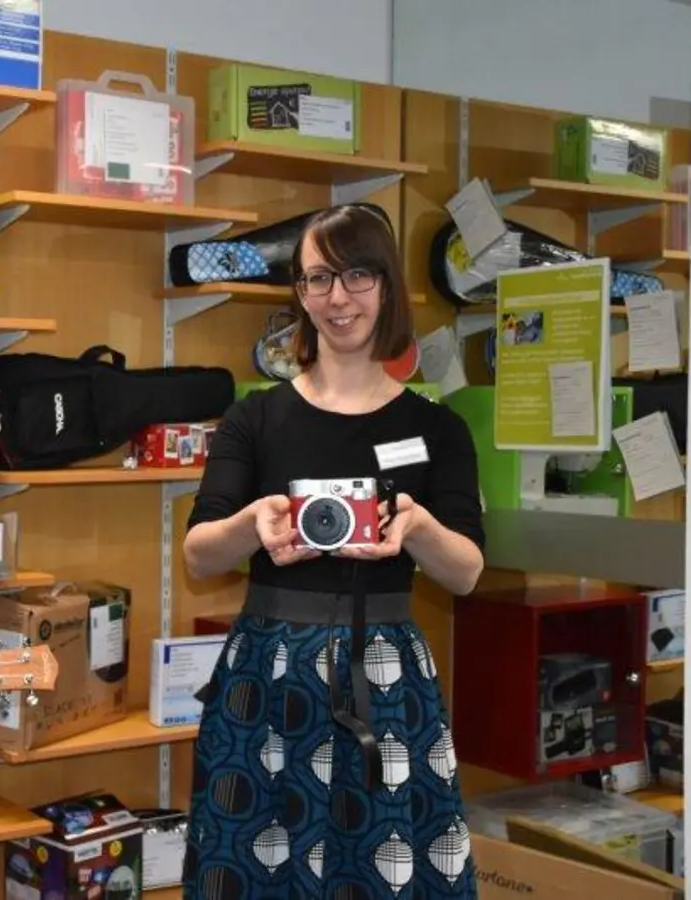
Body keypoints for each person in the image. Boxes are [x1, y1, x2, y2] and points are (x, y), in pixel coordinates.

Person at [178, 205, 486, 899]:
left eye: (357, 275)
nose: (337, 298)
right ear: (300, 292)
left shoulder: (436, 428)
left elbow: (466, 571)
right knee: (256, 866)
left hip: (384, 676)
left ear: (386, 286)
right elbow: (199, 554)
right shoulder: (255, 415)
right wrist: (253, 523)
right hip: (268, 673)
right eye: (318, 279)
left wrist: (415, 527)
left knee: (383, 864)